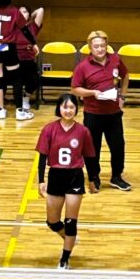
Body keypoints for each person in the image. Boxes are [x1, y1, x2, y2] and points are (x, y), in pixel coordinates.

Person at [36, 94, 98, 269]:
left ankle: (64, 259)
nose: (68, 110)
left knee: (71, 221)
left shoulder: (83, 131)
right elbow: (42, 157)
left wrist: (93, 179)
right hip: (55, 176)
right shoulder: (49, 129)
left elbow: (90, 157)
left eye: (71, 107)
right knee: (52, 222)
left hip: (74, 177)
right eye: (65, 107)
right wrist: (41, 180)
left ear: (76, 109)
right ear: (59, 108)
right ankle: (69, 238)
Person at [71, 30, 131, 191]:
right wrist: (92, 93)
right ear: (90, 48)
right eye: (96, 46)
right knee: (93, 148)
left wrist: (122, 96)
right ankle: (93, 177)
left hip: (113, 114)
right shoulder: (82, 67)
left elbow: (125, 76)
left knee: (118, 147)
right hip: (93, 114)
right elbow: (75, 88)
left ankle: (116, 177)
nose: (100, 49)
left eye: (103, 45)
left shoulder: (116, 60)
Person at [17, 5, 44, 111]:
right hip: (14, 59)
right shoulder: (12, 27)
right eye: (19, 12)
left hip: (28, 59)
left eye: (24, 12)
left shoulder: (32, 27)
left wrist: (29, 18)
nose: (22, 14)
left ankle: (26, 97)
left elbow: (41, 10)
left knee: (34, 79)